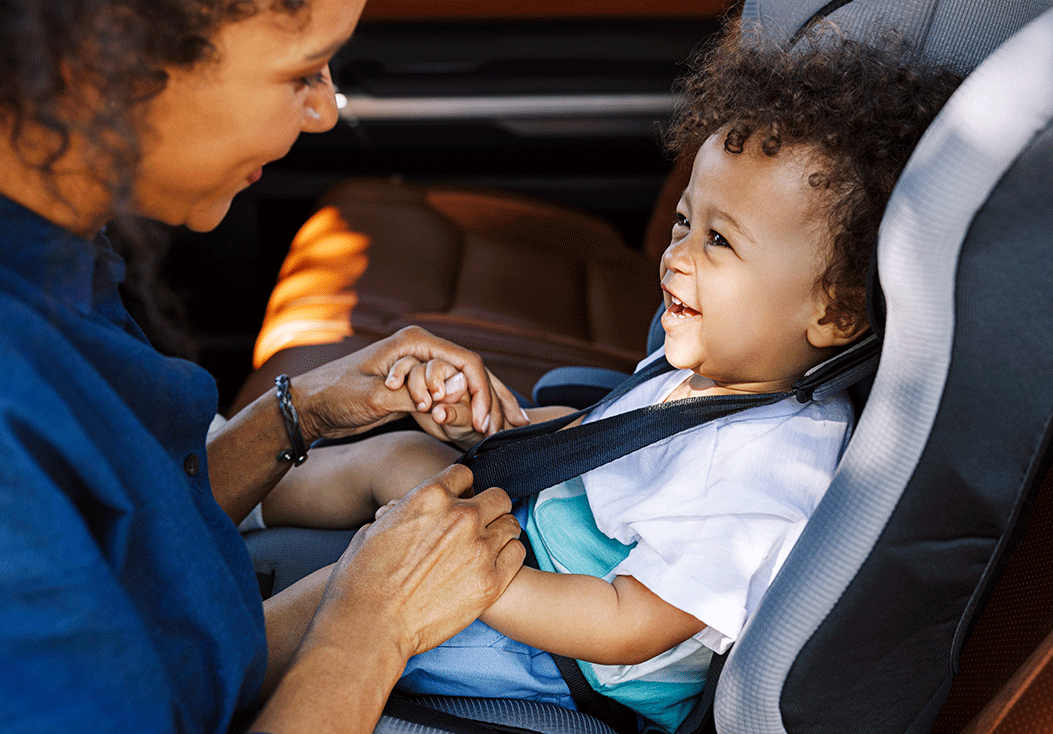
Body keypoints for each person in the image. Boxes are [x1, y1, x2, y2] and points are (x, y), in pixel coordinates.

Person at [250, 24, 966, 732]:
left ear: (836, 311)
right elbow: (611, 441)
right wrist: (498, 425)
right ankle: (224, 503)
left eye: (719, 241)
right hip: (542, 546)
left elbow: (632, 625)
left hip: (561, 654)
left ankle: (211, 674)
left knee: (345, 593)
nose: (676, 255)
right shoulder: (724, 364)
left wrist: (473, 582)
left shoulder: (771, 471)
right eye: (685, 223)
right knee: (396, 455)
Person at [0, 0, 533, 732]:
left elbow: (136, 548)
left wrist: (296, 415)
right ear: (107, 62)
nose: (326, 112)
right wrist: (373, 623)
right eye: (302, 73)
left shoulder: (25, 236)